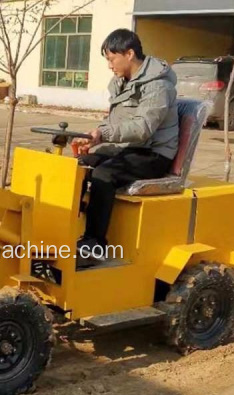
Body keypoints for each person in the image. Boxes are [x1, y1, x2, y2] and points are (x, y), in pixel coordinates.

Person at [73, 29, 179, 255]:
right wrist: (93, 138)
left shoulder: (158, 86)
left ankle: (94, 243)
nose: (110, 65)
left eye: (112, 59)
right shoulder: (122, 81)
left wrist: (104, 134)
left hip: (154, 154)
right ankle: (72, 224)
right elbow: (115, 121)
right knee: (80, 164)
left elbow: (143, 129)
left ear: (129, 54)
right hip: (129, 148)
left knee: (104, 174)